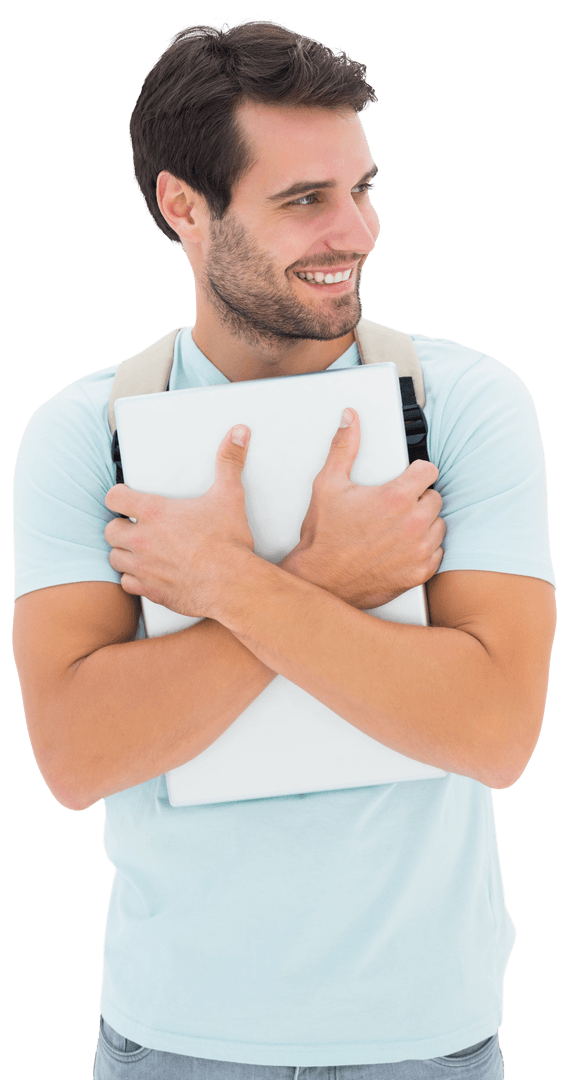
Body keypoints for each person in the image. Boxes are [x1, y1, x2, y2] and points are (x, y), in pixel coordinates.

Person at [12, 17, 555, 1080]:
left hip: (428, 1038)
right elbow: (75, 757)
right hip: (174, 1040)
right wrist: (324, 577)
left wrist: (224, 581)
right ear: (184, 207)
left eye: (362, 188)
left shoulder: (466, 404)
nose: (354, 231)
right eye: (304, 200)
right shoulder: (84, 432)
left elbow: (494, 734)